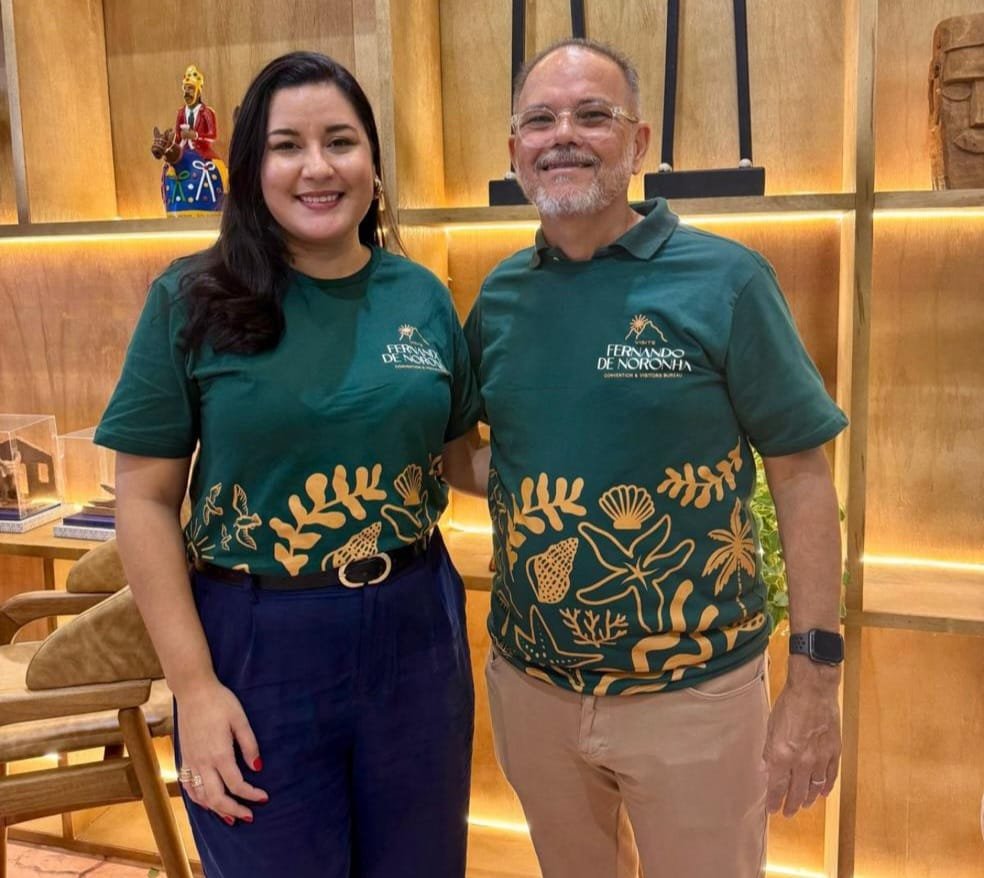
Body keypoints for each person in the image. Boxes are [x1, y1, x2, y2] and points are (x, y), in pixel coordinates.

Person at [455, 38, 848, 878]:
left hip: (697, 696)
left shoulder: (727, 281)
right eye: (540, 120)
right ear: (515, 151)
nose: (564, 135)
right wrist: (548, 490)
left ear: (637, 144)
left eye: (592, 115)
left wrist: (816, 678)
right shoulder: (500, 296)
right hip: (533, 687)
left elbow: (802, 476)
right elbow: (471, 457)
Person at [96, 51, 479, 878]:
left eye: (340, 141)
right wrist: (193, 689)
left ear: (373, 163)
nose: (317, 167)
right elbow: (145, 501)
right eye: (286, 145)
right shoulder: (189, 298)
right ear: (250, 168)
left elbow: (462, 461)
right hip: (256, 640)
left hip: (418, 628)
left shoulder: (420, 296)